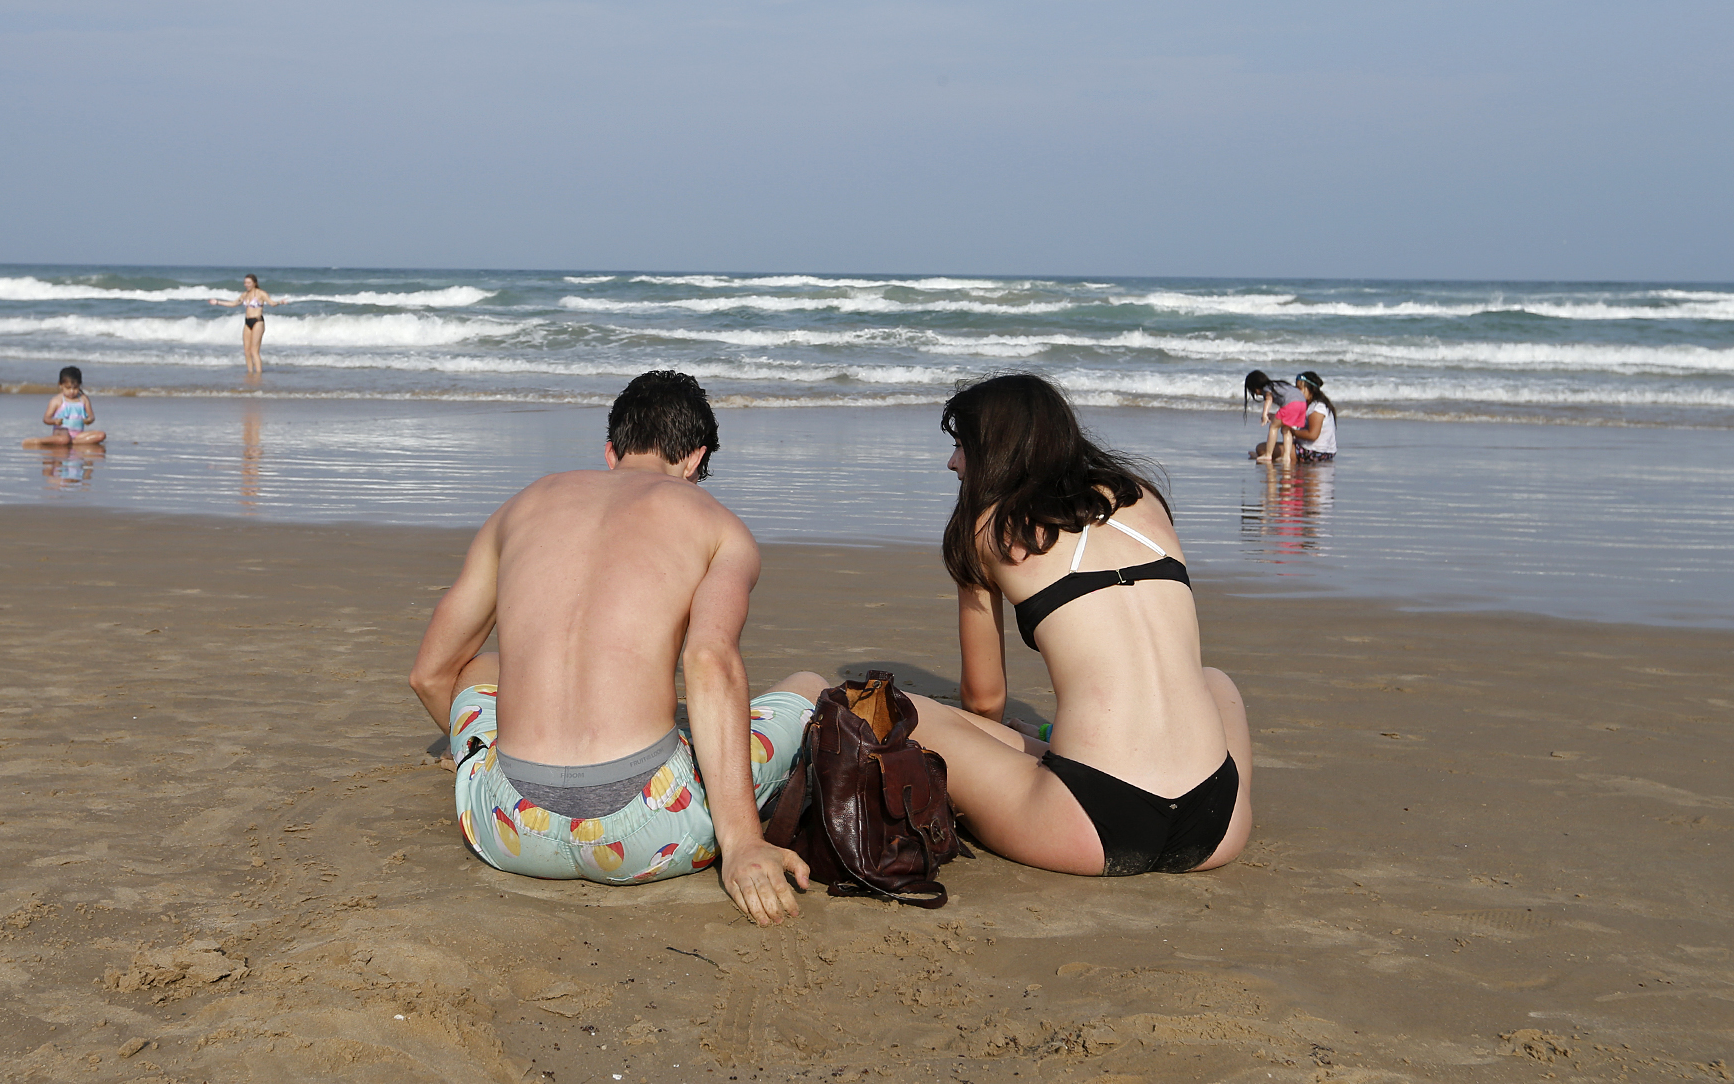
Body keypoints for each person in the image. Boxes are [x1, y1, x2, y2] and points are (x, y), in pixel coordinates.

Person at [408, 370, 822, 926]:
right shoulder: (719, 526)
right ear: (696, 460)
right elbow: (709, 660)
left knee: (482, 666)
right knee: (810, 689)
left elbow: (430, 674)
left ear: (611, 451)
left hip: (504, 828)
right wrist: (743, 843)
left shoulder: (521, 507)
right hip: (648, 834)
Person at [901, 374, 1253, 877]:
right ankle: (1050, 751)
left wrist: (992, 744)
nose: (952, 462)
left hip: (1088, 826)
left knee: (905, 711)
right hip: (1216, 827)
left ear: (997, 449)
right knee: (1214, 680)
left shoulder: (985, 528)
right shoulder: (1143, 500)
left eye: (961, 446)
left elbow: (983, 701)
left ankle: (1049, 757)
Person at [207, 275, 286, 376]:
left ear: (254, 283)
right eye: (245, 283)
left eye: (249, 283)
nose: (246, 285)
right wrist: (217, 302)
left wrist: (280, 302)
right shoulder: (245, 294)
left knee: (254, 351)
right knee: (247, 351)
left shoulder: (261, 293)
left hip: (258, 322)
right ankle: (250, 372)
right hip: (247, 322)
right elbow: (234, 303)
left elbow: (272, 303)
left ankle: (258, 374)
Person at [21, 367, 107, 447]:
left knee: (101, 435)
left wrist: (89, 420)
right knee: (64, 439)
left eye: (75, 388)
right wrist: (54, 421)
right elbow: (46, 419)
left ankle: (71, 442)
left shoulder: (83, 399)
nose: (72, 391)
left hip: (78, 435)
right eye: (68, 388)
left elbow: (91, 416)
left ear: (80, 385)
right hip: (62, 432)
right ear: (61, 385)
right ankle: (39, 441)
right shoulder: (57, 400)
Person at [1274, 371, 1338, 464]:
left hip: (1316, 452)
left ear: (1311, 389)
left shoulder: (1317, 408)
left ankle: (1285, 458)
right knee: (1272, 447)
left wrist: (1292, 432)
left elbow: (1312, 435)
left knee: (1262, 448)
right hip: (1315, 449)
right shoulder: (1307, 405)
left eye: (1299, 388)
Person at [1242, 370, 1305, 462]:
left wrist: (1264, 414)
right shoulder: (1278, 385)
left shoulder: (1267, 388)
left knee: (1273, 427)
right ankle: (1286, 456)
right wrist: (1274, 416)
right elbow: (1289, 405)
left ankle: (1268, 455)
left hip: (1291, 404)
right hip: (1302, 404)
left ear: (1255, 387)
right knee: (1286, 429)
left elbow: (1268, 400)